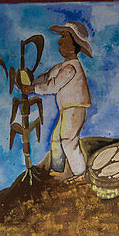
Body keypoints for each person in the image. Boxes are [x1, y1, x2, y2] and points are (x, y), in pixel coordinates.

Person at [22, 20, 92, 178]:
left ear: (74, 45)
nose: (60, 41)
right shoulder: (61, 67)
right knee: (56, 139)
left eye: (65, 37)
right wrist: (30, 82)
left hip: (75, 108)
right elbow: (47, 77)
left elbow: (53, 85)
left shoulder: (71, 68)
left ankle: (80, 173)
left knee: (68, 140)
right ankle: (57, 171)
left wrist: (33, 89)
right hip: (66, 109)